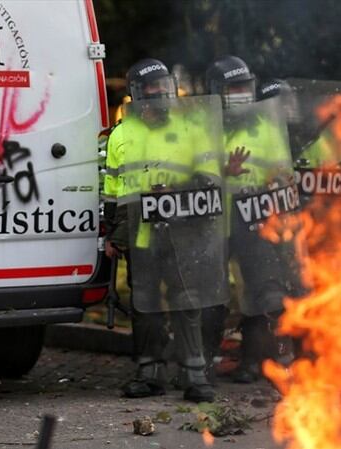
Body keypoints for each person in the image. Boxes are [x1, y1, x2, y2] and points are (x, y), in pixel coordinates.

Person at [104, 58, 225, 402]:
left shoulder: (192, 128)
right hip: (141, 235)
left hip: (183, 230)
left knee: (186, 300)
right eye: (151, 90)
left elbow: (210, 178)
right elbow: (114, 190)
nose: (159, 96)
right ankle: (150, 372)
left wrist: (179, 191)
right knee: (145, 305)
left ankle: (195, 376)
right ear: (136, 95)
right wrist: (113, 236)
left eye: (163, 89)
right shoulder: (121, 135)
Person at [204, 56, 298, 383]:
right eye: (234, 88)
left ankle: (255, 360)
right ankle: (200, 365)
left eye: (246, 87)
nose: (242, 93)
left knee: (254, 294)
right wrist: (222, 172)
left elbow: (281, 173)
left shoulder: (266, 128)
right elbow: (193, 172)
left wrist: (280, 182)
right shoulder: (205, 129)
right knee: (211, 296)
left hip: (254, 224)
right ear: (217, 91)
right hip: (214, 225)